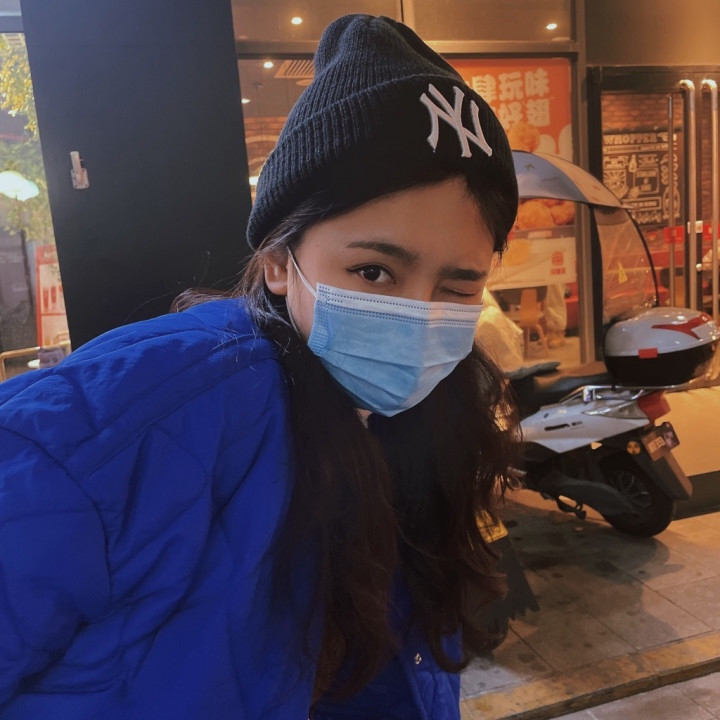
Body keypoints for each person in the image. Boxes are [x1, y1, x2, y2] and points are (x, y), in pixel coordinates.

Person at [0, 14, 519, 720]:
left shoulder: (429, 417)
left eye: (457, 286)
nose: (417, 314)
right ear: (279, 260)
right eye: (374, 271)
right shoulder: (127, 427)